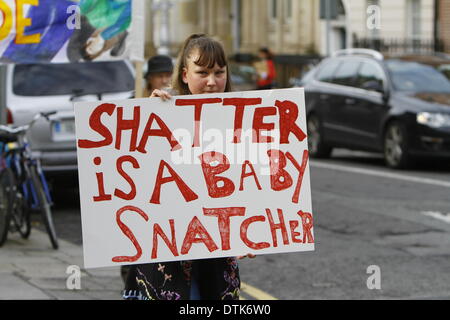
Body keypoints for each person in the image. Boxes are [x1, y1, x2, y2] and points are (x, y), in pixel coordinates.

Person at [122, 34, 254, 301]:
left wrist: (252, 232)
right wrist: (147, 117)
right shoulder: (161, 114)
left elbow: (251, 184)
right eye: (202, 72)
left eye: (219, 72)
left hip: (215, 260)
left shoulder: (242, 120)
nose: (212, 81)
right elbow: (137, 178)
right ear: (184, 75)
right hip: (168, 261)